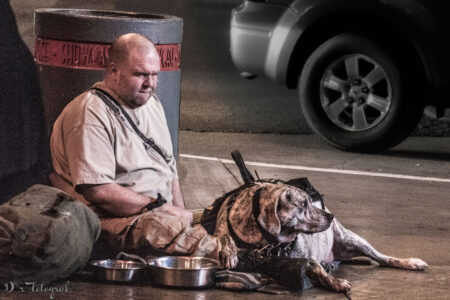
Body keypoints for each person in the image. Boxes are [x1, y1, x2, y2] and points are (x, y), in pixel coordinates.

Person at [50, 33, 222, 260]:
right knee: (165, 230)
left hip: (159, 214)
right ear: (113, 71)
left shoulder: (153, 104)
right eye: (140, 74)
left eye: (154, 75)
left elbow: (170, 173)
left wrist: (185, 216)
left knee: (232, 213)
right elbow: (100, 193)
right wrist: (160, 210)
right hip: (113, 220)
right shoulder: (90, 112)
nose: (150, 83)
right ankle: (232, 258)